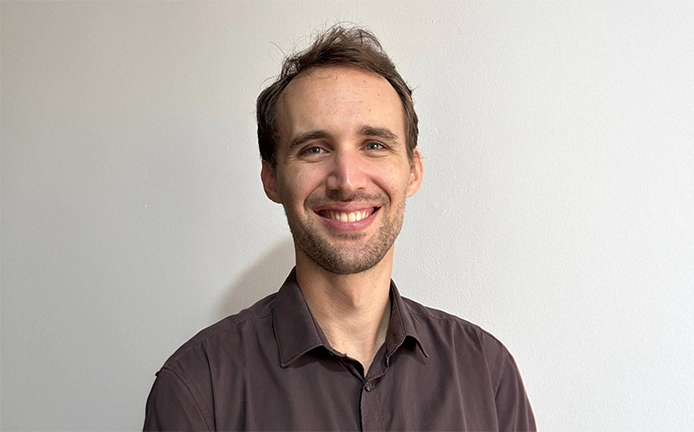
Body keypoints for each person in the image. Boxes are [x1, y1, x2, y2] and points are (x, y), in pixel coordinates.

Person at [144, 25, 536, 432]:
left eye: (374, 145)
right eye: (314, 148)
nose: (347, 181)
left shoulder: (488, 374)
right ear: (272, 178)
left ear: (413, 171)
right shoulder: (197, 387)